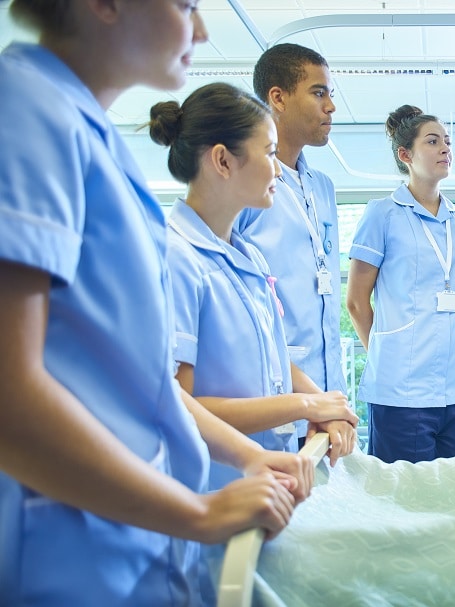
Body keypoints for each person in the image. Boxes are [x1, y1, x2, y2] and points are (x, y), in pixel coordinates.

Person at [0, 3, 310, 605]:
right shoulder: (25, 112)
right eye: (186, 5)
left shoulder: (90, 134)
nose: (200, 29)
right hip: (69, 557)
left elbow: (142, 382)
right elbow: (9, 396)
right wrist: (196, 512)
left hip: (139, 544)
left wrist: (251, 458)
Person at [148, 82, 359, 489]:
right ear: (223, 161)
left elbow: (278, 358)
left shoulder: (248, 255)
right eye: (269, 153)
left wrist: (324, 405)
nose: (279, 169)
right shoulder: (176, 258)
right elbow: (179, 405)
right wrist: (305, 404)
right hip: (214, 487)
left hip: (265, 478)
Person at [346, 105, 455, 464]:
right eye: (433, 141)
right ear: (405, 155)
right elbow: (357, 303)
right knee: (401, 497)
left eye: (448, 142)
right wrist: (388, 353)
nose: (445, 149)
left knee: (454, 491)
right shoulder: (382, 214)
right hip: (400, 388)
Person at [236, 44, 345, 448]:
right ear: (277, 98)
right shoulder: (245, 184)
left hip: (326, 395)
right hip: (273, 393)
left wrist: (331, 400)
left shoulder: (323, 188)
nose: (331, 106)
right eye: (319, 93)